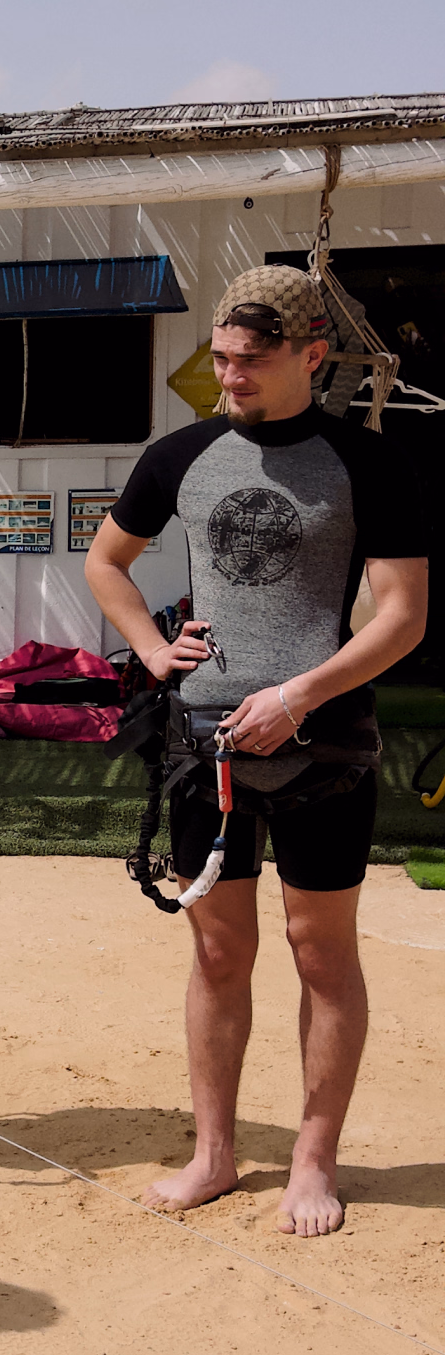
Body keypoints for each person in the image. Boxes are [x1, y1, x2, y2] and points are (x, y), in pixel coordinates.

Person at [86, 263, 429, 1237]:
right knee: (220, 948)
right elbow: (105, 559)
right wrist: (155, 649)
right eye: (222, 358)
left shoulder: (370, 464)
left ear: (312, 354)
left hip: (326, 744)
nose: (230, 376)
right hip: (206, 747)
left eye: (252, 359)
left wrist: (300, 694)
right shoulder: (181, 454)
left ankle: (313, 1161)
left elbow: (403, 618)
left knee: (319, 950)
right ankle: (215, 1152)